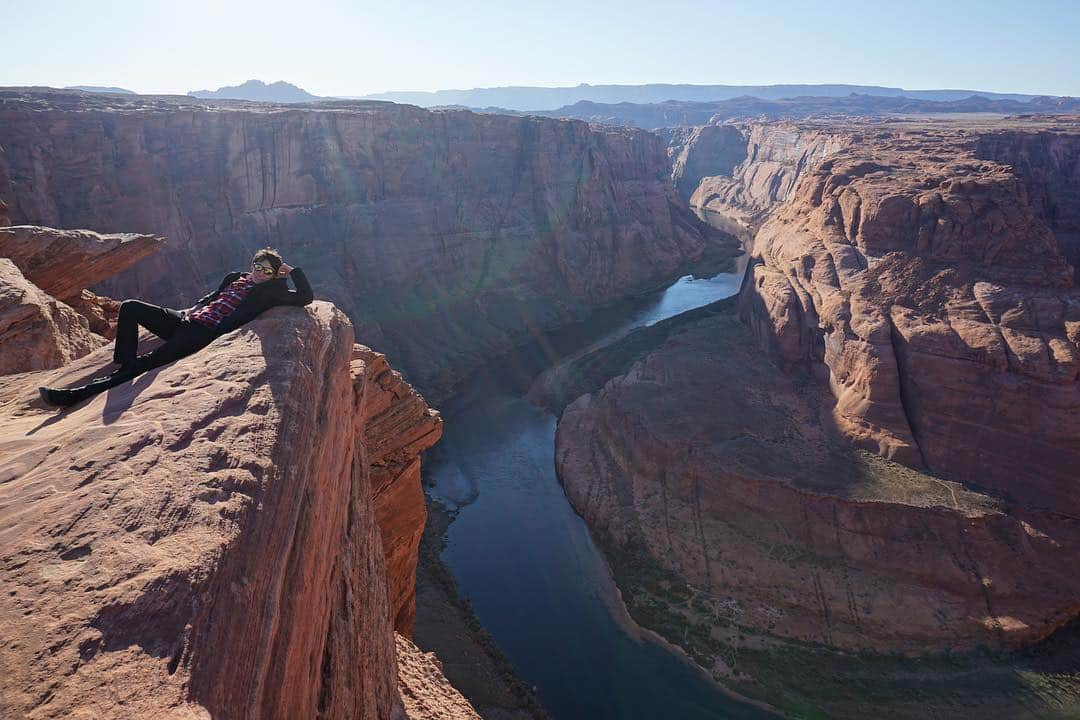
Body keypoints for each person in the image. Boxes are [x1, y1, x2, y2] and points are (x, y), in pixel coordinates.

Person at [39, 247, 314, 408]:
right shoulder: (235, 277)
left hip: (201, 334)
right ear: (251, 264)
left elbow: (304, 297)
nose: (260, 272)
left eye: (267, 270)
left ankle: (73, 396)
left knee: (144, 366)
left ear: (273, 274)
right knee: (131, 307)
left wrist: (291, 272)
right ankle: (124, 361)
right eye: (258, 266)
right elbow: (212, 297)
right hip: (186, 320)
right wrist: (194, 307)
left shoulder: (270, 293)